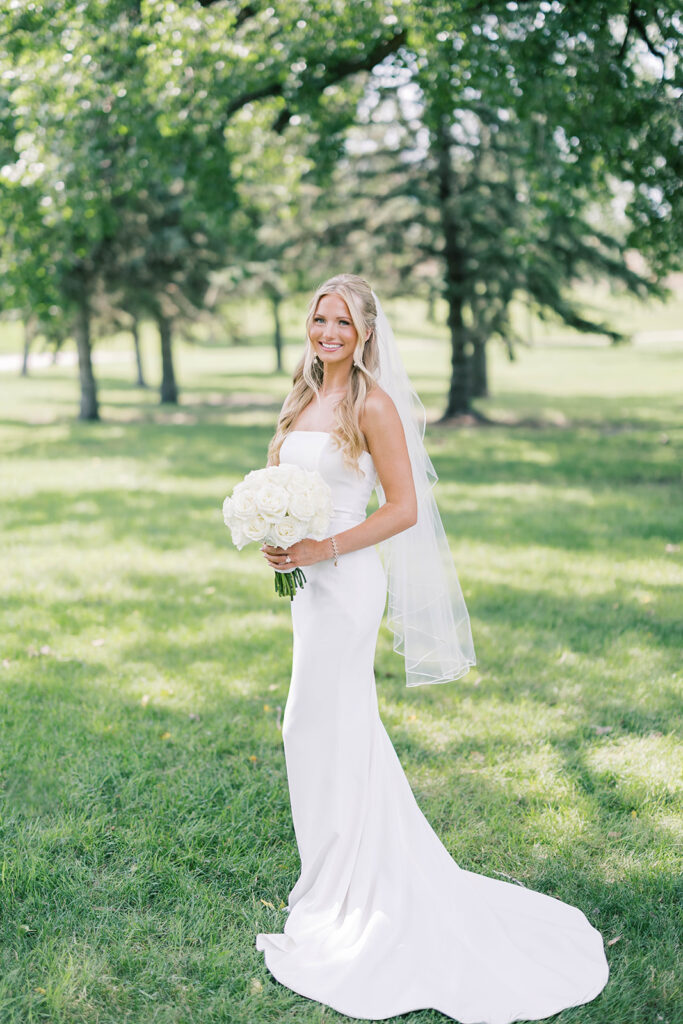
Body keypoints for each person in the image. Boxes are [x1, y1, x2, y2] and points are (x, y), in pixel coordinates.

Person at [255, 274, 609, 1023]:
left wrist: (325, 547)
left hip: (347, 586)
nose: (326, 332)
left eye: (341, 322)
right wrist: (281, 540)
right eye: (318, 318)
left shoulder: (373, 405)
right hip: (312, 587)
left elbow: (404, 509)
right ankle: (328, 878)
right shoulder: (301, 396)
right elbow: (288, 481)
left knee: (319, 726)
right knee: (316, 731)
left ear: (366, 333)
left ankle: (347, 888)